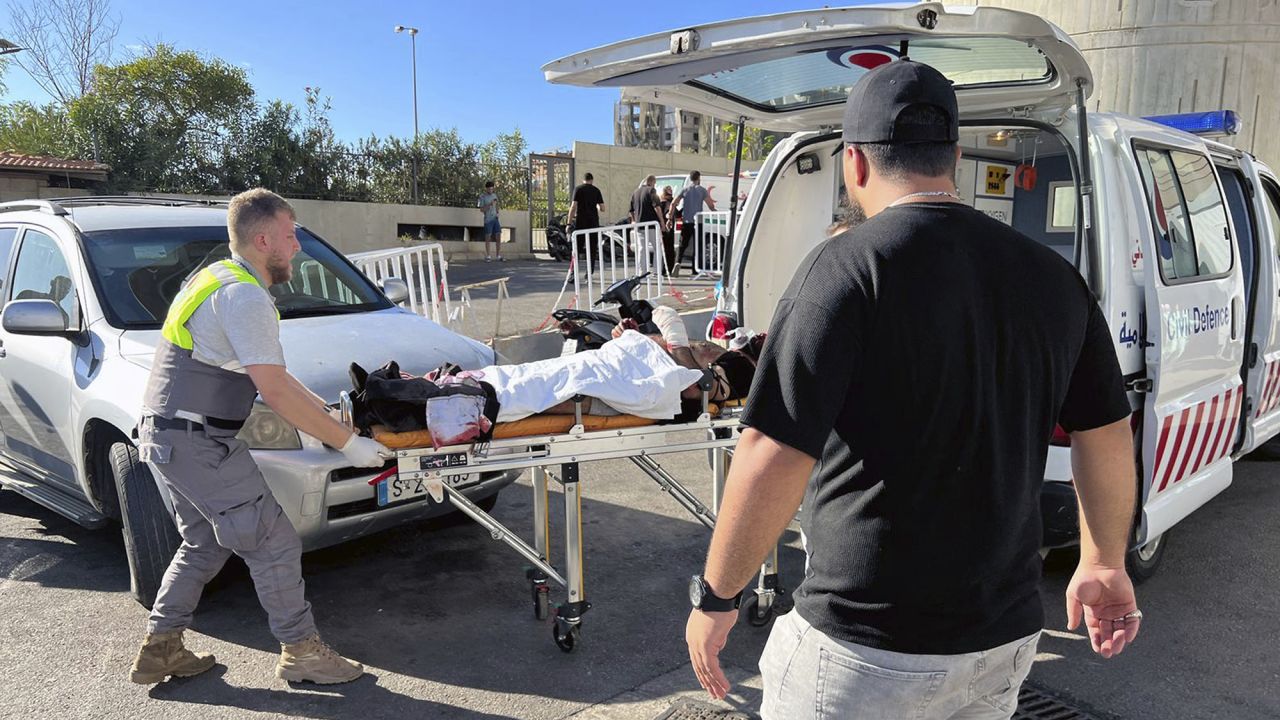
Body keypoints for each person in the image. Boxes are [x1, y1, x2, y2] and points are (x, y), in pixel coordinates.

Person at [684, 61, 1141, 719]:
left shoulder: (844, 271)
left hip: (864, 648)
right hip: (1003, 643)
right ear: (953, 157)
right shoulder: (1052, 278)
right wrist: (1102, 560)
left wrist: (718, 598)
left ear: (855, 166)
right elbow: (1105, 430)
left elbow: (772, 452)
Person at [129, 188, 391, 686]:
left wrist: (333, 417)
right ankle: (302, 651)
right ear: (264, 238)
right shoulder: (245, 295)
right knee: (272, 540)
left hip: (170, 437)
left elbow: (275, 377)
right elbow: (271, 390)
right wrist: (348, 445)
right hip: (196, 441)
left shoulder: (215, 278)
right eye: (291, 236)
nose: (297, 247)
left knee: (204, 541)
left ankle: (161, 646)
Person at [670, 170, 716, 276]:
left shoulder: (685, 190)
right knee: (698, 245)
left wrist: (670, 215)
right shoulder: (702, 191)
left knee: (682, 245)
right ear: (698, 178)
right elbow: (710, 205)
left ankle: (677, 262)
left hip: (686, 221)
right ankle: (695, 269)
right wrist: (715, 212)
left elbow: (673, 203)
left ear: (690, 179)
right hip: (698, 221)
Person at [568, 172, 606, 268]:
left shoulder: (578, 189)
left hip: (581, 222)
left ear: (583, 180)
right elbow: (602, 208)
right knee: (592, 249)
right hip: (593, 223)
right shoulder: (596, 190)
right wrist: (596, 206)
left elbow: (573, 207)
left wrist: (568, 223)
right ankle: (589, 273)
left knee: (577, 248)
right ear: (592, 180)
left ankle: (573, 272)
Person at [476, 180, 503, 262]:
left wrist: (497, 212)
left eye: (492, 189)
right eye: (489, 189)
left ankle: (498, 255)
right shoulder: (482, 197)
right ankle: (488, 256)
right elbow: (481, 209)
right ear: (486, 189)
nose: (491, 191)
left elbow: (497, 204)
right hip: (488, 219)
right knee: (488, 237)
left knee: (498, 236)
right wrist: (489, 205)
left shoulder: (494, 195)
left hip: (495, 219)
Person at [659, 186, 677, 273]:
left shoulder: (662, 202)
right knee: (668, 249)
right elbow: (669, 214)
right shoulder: (667, 203)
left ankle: (666, 269)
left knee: (666, 249)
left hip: (665, 228)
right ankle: (667, 269)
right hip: (667, 228)